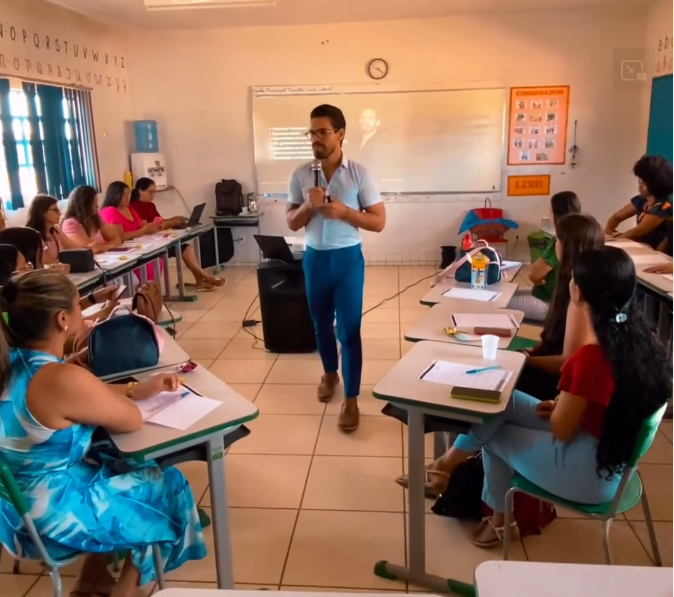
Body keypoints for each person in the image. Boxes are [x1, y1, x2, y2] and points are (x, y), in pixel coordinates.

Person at [398, 246, 671, 548]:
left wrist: (561, 409)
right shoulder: (643, 341)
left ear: (577, 292)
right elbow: (604, 403)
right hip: (611, 458)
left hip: (591, 474)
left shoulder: (592, 358)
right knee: (504, 399)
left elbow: (561, 428)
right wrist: (563, 404)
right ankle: (446, 467)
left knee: (494, 433)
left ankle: (499, 519)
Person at [0, 269, 206, 597]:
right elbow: (129, 421)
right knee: (166, 486)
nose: (85, 316)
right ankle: (125, 592)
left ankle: (91, 580)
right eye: (80, 308)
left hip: (13, 514)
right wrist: (124, 394)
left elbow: (73, 400)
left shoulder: (11, 363)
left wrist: (132, 389)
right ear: (63, 319)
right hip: (49, 521)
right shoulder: (60, 378)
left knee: (108, 462)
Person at [287, 104, 386, 432]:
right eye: (311, 132)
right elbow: (291, 222)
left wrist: (344, 213)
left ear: (341, 134)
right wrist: (307, 205)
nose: (315, 138)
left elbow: (379, 222)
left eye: (322, 132)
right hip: (315, 259)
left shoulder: (360, 173)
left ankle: (351, 399)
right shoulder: (301, 174)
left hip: (346, 261)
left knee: (349, 331)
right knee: (320, 326)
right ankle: (330, 372)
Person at [515, 214, 605, 401]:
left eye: (557, 240)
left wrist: (529, 361)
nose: (554, 244)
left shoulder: (581, 294)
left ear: (567, 246)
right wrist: (537, 350)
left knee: (498, 384)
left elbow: (569, 362)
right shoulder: (571, 280)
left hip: (560, 386)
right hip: (555, 370)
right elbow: (559, 336)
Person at [130, 178, 225, 291]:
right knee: (182, 248)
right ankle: (206, 277)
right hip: (151, 244)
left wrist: (174, 220)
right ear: (140, 191)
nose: (153, 195)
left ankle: (200, 281)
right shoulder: (134, 207)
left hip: (161, 239)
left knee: (187, 248)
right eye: (150, 192)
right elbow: (153, 225)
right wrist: (170, 222)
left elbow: (160, 221)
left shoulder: (150, 205)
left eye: (155, 192)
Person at [507, 191, 581, 321]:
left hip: (550, 304)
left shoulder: (560, 242)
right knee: (507, 293)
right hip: (566, 301)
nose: (548, 215)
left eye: (550, 211)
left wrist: (539, 281)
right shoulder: (581, 236)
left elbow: (534, 275)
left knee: (500, 304)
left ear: (557, 215)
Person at [605, 155, 672, 249]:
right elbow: (617, 217)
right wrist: (607, 234)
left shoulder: (664, 207)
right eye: (639, 181)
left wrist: (610, 243)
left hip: (661, 253)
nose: (639, 185)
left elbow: (637, 232)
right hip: (643, 246)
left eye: (643, 183)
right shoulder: (641, 200)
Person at [99, 181, 163, 281]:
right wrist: (143, 231)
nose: (127, 197)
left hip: (136, 245)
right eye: (124, 195)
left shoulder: (128, 207)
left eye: (128, 194)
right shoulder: (110, 211)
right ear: (115, 196)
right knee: (148, 265)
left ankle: (151, 292)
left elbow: (138, 223)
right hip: (121, 251)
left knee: (156, 259)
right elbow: (120, 237)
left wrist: (149, 225)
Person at [61, 185, 123, 254]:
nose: (97, 206)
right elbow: (89, 250)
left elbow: (116, 238)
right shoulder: (70, 223)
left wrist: (103, 247)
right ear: (84, 205)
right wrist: (108, 246)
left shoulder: (95, 218)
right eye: (94, 203)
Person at [25, 194, 82, 265]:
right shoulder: (31, 235)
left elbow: (76, 248)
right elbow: (45, 262)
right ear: (42, 212)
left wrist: (88, 250)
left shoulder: (55, 230)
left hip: (60, 270)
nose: (60, 213)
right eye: (55, 210)